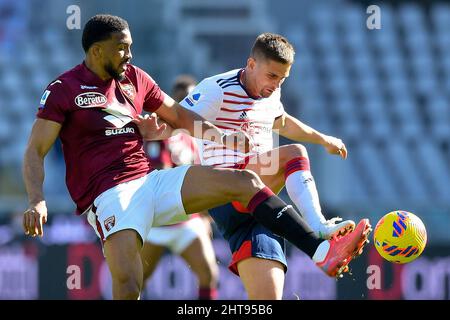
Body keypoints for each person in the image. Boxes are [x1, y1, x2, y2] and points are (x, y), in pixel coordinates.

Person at [22, 14, 371, 300]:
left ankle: (321, 251)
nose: (129, 55)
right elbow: (35, 151)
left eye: (130, 47)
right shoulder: (63, 90)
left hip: (152, 181)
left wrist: (221, 138)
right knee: (129, 285)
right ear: (97, 51)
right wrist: (37, 200)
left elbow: (179, 116)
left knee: (244, 182)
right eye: (122, 49)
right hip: (109, 195)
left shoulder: (135, 78)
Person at [152, 33, 360, 299]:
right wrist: (151, 129)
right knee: (294, 154)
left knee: (267, 300)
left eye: (282, 78)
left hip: (260, 210)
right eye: (272, 76)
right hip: (227, 192)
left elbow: (282, 122)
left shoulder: (270, 93)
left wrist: (324, 139)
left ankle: (311, 235)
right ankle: (318, 228)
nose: (276, 84)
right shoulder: (216, 88)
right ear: (251, 64)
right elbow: (177, 118)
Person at [141, 75, 218, 300]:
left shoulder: (197, 135)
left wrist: (204, 214)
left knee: (208, 275)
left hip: (187, 220)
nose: (189, 103)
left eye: (193, 98)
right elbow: (162, 174)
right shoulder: (161, 129)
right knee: (134, 281)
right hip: (159, 221)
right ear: (174, 101)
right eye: (184, 99)